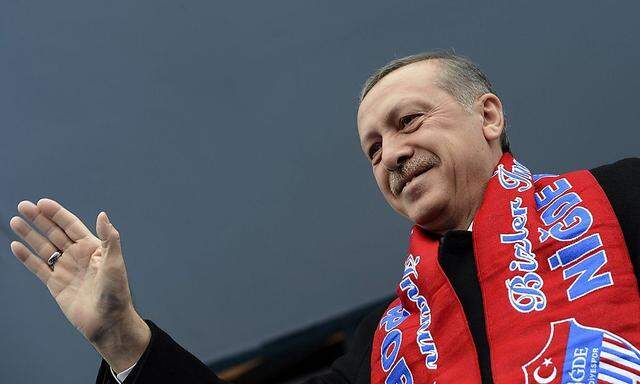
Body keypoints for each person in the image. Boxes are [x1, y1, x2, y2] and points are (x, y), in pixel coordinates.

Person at [9, 51, 640, 384]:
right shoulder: (381, 348)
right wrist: (122, 338)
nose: (392, 154)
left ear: (490, 117)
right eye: (373, 150)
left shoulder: (623, 200)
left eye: (408, 122)